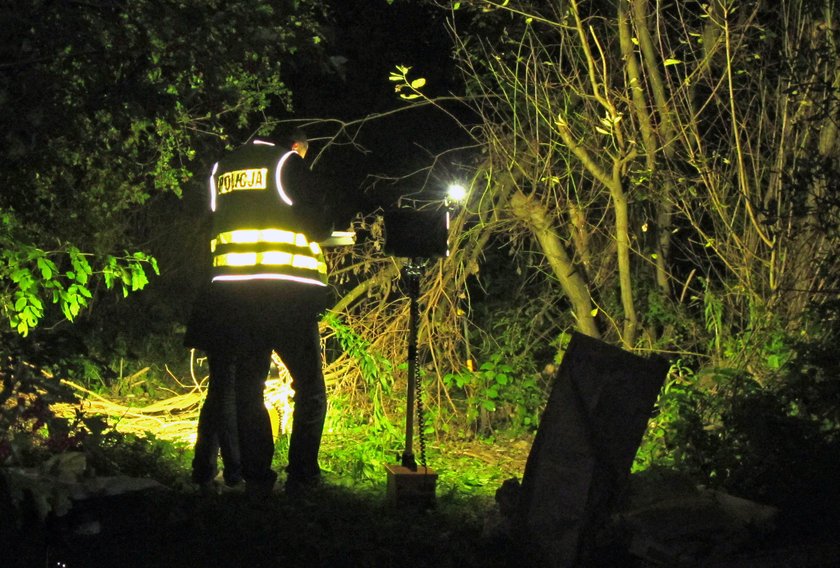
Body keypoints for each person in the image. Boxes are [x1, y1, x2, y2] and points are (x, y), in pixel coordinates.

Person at [185, 130, 336, 496]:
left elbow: (212, 224)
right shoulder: (287, 164)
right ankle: (302, 476)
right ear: (297, 146)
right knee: (310, 387)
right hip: (286, 295)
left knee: (248, 388)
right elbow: (320, 226)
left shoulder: (224, 167)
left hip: (234, 297)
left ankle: (256, 476)